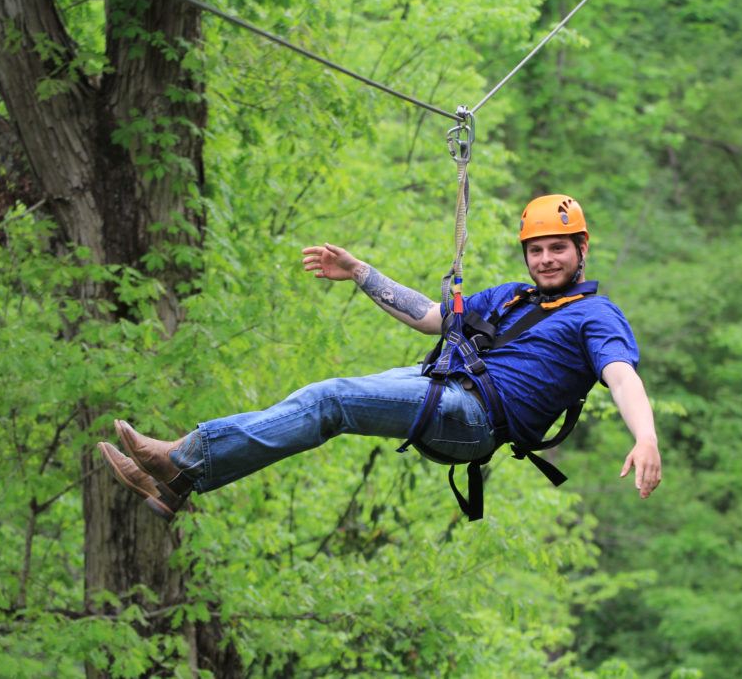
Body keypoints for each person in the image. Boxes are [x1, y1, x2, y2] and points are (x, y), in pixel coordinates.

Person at [98, 194, 661, 521]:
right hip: (442, 386)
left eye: (557, 248)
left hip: (475, 418)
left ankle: (183, 459)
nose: (545, 259)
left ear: (582, 249)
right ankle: (175, 483)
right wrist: (361, 274)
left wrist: (645, 436)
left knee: (331, 399)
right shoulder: (511, 296)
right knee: (324, 396)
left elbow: (620, 376)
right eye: (536, 249)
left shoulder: (597, 316)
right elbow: (433, 317)